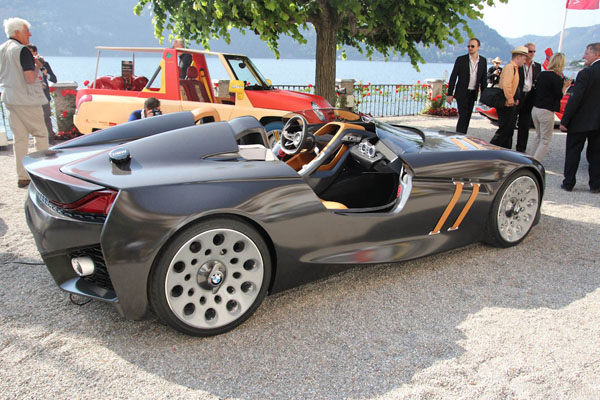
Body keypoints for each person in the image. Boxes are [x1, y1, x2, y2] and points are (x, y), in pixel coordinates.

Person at [0, 17, 48, 188]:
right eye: (27, 30)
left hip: (9, 98)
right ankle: (42, 173)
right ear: (17, 32)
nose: (30, 34)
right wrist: (38, 66)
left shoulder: (2, 49)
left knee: (20, 138)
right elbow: (29, 78)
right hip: (26, 99)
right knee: (40, 134)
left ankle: (22, 176)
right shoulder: (22, 51)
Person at [560, 42, 600, 193]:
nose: (584, 56)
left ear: (596, 54)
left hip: (580, 121)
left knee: (573, 152)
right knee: (596, 154)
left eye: (587, 53)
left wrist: (565, 120)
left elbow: (575, 98)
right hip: (598, 122)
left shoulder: (586, 73)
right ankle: (596, 185)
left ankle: (569, 182)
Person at [530, 53, 571, 161]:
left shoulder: (541, 74)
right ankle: (535, 163)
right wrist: (565, 87)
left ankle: (530, 159)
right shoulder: (556, 78)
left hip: (536, 108)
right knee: (545, 139)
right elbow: (559, 96)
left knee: (538, 136)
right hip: (546, 110)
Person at [490, 46, 529, 149]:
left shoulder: (514, 68)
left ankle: (504, 153)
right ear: (519, 57)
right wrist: (511, 100)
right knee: (504, 131)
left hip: (510, 104)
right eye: (524, 58)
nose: (525, 61)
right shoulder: (510, 68)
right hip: (507, 104)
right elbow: (507, 85)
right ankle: (489, 150)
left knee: (508, 132)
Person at [446, 38, 487, 134]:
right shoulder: (461, 60)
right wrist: (449, 94)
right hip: (462, 93)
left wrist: (484, 97)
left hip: (473, 93)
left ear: (478, 47)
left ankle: (462, 136)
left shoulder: (483, 61)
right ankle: (459, 136)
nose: (470, 48)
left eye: (472, 46)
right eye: (468, 46)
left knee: (468, 116)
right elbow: (453, 77)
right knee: (463, 116)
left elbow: (483, 80)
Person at [515, 43, 542, 153]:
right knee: (509, 124)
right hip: (517, 96)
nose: (532, 54)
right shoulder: (518, 65)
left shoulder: (537, 66)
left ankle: (521, 150)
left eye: (534, 51)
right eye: (530, 51)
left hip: (529, 98)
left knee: (524, 125)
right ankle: (505, 148)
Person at [26, 44, 57, 137]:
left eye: (30, 52)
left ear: (35, 53)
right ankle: (37, 138)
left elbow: (54, 79)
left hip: (44, 96)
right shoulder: (26, 65)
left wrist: (46, 75)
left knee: (46, 117)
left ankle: (50, 139)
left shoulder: (45, 64)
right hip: (32, 96)